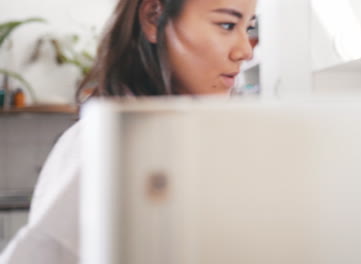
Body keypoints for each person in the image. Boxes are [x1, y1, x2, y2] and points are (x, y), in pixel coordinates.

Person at [0, 0, 256, 262]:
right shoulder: (104, 146)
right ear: (153, 18)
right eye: (227, 25)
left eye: (249, 27)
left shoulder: (187, 138)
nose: (246, 50)